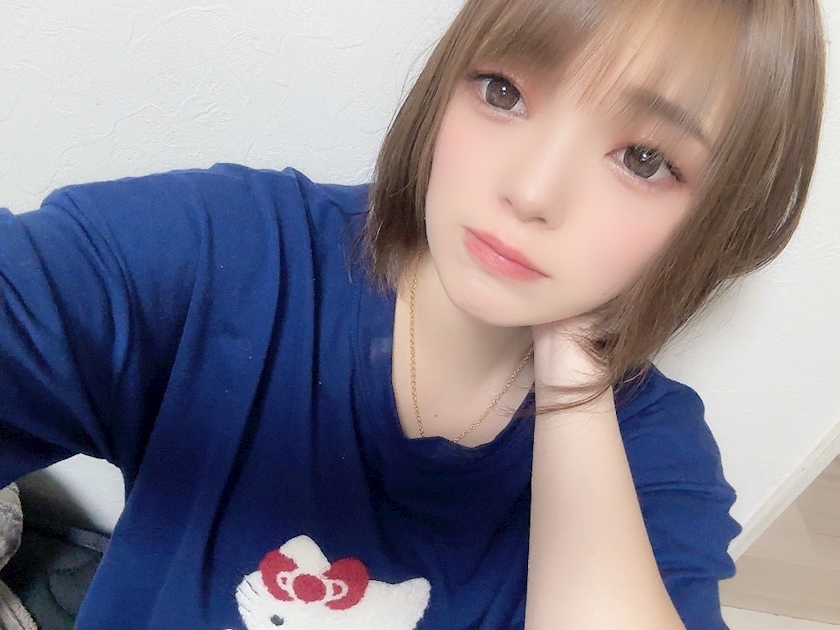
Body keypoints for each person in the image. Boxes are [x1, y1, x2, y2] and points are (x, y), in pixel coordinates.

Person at [0, 0, 826, 628]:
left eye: (643, 160)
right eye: (503, 91)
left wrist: (578, 352)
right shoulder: (232, 257)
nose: (530, 190)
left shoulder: (655, 459)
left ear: (716, 218)